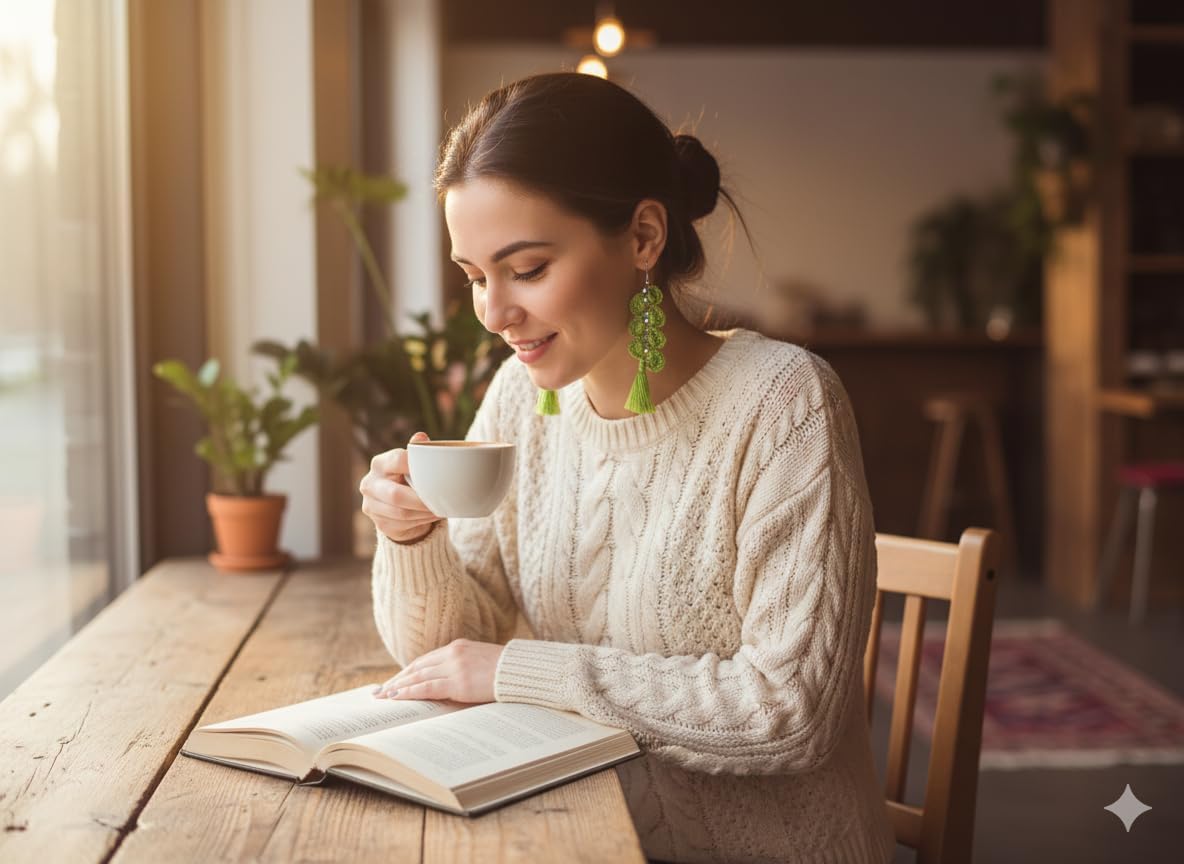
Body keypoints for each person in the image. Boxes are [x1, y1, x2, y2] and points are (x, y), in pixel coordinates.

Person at [359, 72, 895, 864]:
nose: (493, 313)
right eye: (475, 276)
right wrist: (411, 540)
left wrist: (522, 671)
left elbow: (789, 712)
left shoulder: (784, 404)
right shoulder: (522, 399)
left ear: (644, 236)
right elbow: (449, 655)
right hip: (576, 836)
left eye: (528, 268)